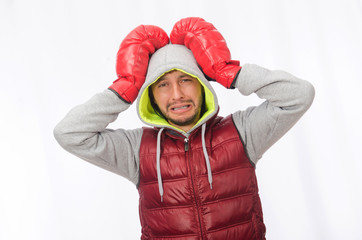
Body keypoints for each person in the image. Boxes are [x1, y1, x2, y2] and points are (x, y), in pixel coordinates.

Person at [54, 17, 315, 240]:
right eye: (163, 84)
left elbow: (299, 95)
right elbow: (70, 133)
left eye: (185, 80)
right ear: (150, 95)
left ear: (203, 83)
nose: (177, 94)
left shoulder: (241, 132)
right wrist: (125, 86)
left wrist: (228, 72)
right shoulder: (137, 149)